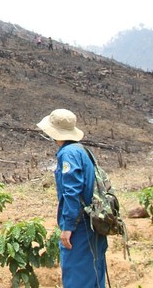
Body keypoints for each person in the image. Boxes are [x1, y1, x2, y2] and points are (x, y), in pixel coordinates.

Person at [36, 108, 108, 288]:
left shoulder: (67, 154)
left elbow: (71, 192)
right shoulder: (82, 150)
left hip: (81, 225)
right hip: (93, 223)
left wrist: (68, 227)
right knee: (94, 274)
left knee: (77, 276)